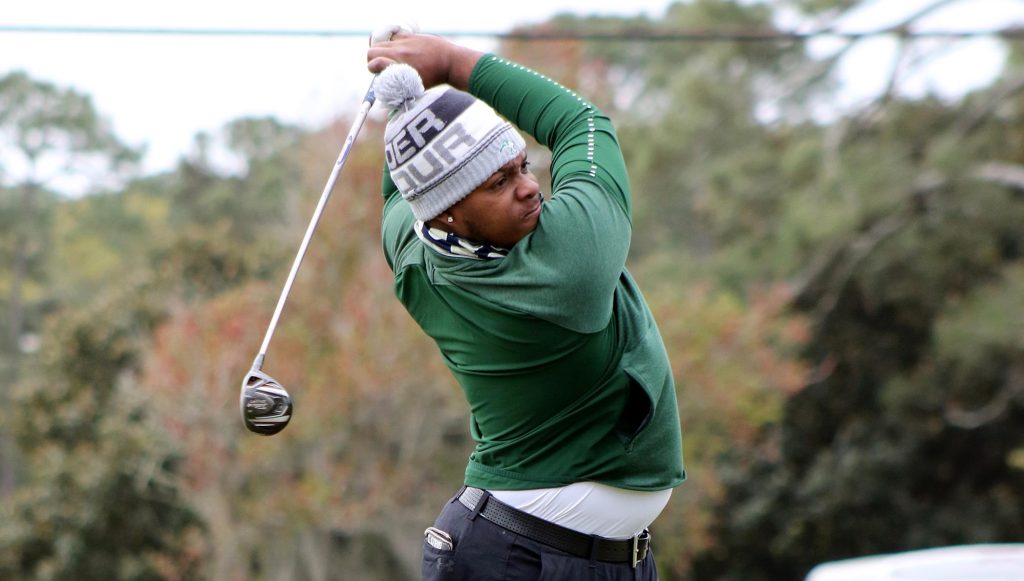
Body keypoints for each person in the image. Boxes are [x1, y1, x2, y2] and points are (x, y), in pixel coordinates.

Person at [367, 29, 685, 580]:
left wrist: (408, 101)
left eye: (523, 165)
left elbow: (401, 192)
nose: (530, 188)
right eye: (498, 183)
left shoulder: (411, 252)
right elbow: (580, 122)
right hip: (522, 558)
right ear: (447, 213)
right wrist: (446, 62)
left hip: (549, 552)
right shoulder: (570, 264)